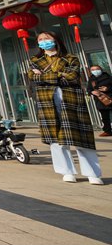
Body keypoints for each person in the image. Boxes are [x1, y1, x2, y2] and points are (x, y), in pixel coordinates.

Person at [29, 32, 103, 185]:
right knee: (56, 139)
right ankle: (66, 171)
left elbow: (73, 77)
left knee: (81, 136)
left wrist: (45, 76)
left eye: (47, 38)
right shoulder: (36, 60)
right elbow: (33, 77)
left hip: (71, 100)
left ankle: (92, 173)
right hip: (47, 101)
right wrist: (58, 75)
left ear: (55, 40)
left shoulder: (71, 58)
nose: (44, 41)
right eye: (40, 40)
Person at [88, 64, 112, 137]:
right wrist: (92, 92)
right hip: (100, 100)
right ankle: (107, 131)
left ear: (101, 70)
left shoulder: (108, 77)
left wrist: (107, 88)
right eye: (93, 70)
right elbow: (89, 89)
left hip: (110, 98)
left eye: (97, 69)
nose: (95, 71)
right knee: (105, 117)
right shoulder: (91, 80)